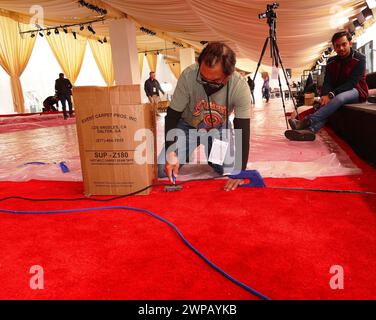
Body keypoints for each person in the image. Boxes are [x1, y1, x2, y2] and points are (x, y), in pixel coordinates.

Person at [157, 42, 251, 191]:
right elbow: (172, 116)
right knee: (162, 169)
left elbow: (243, 130)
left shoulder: (239, 86)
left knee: (226, 169)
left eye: (214, 81)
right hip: (187, 127)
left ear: (228, 75)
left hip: (218, 129)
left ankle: (211, 154)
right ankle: (186, 151)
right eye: (203, 77)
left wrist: (241, 171)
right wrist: (171, 152)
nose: (207, 83)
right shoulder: (188, 76)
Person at [285, 30, 368, 141]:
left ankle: (306, 121)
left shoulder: (360, 58)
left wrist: (331, 94)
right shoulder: (331, 61)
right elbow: (327, 81)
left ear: (350, 43)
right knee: (328, 104)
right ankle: (310, 131)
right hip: (337, 91)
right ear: (334, 47)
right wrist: (325, 95)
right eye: (337, 46)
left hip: (356, 90)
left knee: (339, 98)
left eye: (344, 44)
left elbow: (351, 83)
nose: (341, 48)